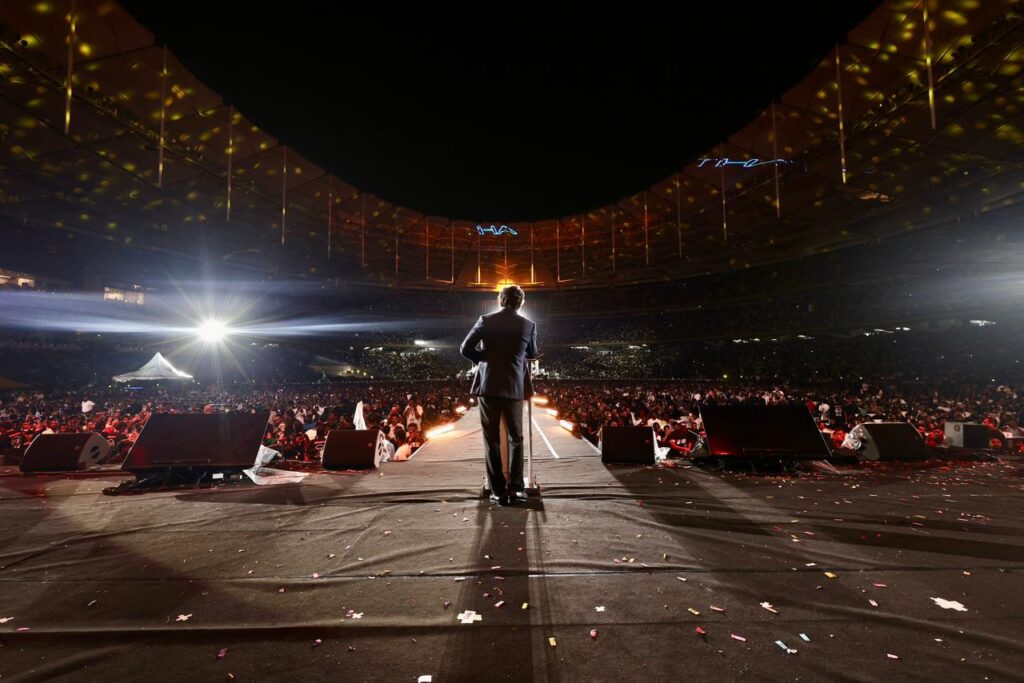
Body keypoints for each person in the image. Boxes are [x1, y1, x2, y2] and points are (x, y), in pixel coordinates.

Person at [460, 284, 538, 506]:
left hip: (488, 386)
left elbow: (465, 348)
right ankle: (516, 488)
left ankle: (497, 491)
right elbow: (531, 353)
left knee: (491, 439)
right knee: (517, 438)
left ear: (500, 301)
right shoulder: (528, 325)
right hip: (514, 387)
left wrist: (484, 360)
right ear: (521, 302)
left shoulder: (485, 320)